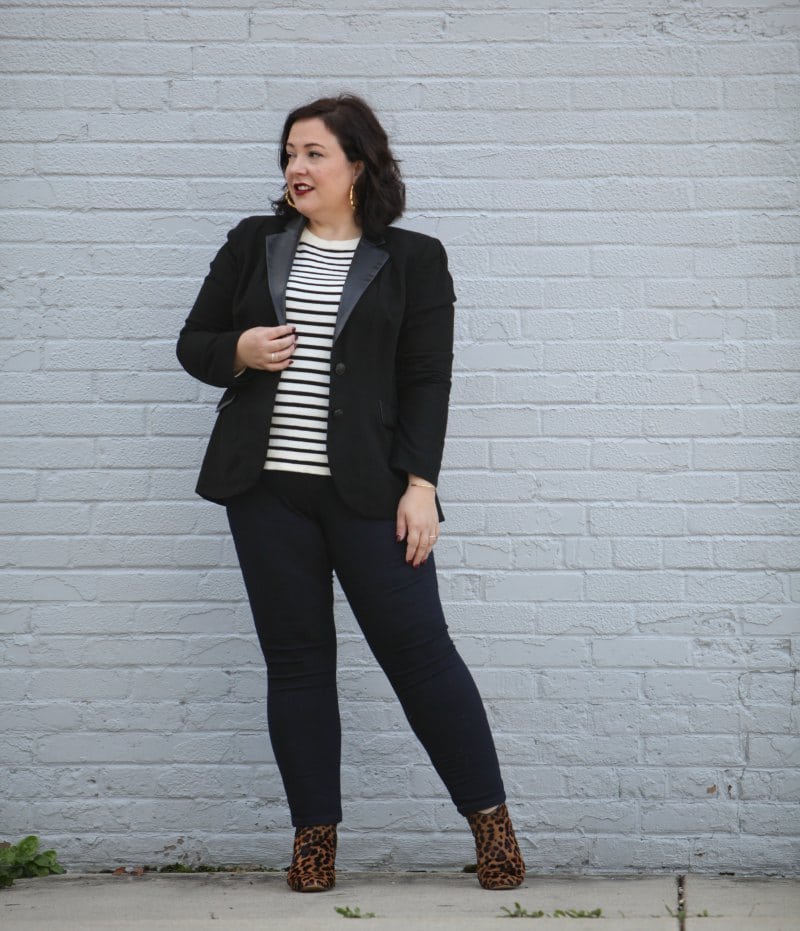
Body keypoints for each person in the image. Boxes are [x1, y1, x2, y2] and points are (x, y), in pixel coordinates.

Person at [176, 94, 525, 893]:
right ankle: (314, 846)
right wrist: (239, 347)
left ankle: (494, 831)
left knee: (423, 658)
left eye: (313, 154)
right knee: (296, 664)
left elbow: (426, 380)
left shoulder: (414, 259)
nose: (295, 168)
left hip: (371, 494)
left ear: (358, 165)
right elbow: (193, 343)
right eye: (289, 155)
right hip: (266, 492)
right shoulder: (253, 244)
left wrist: (422, 486)